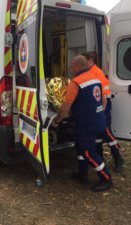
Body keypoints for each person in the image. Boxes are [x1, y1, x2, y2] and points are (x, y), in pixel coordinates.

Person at [51, 55, 112, 192]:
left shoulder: (76, 83)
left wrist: (56, 121)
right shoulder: (96, 78)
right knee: (80, 146)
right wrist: (97, 113)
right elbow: (104, 100)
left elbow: (66, 107)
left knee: (87, 151)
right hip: (98, 120)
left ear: (78, 67)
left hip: (87, 124)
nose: (70, 68)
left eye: (71, 66)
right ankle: (82, 174)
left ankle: (106, 178)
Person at [82, 52, 124, 173]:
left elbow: (101, 95)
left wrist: (101, 112)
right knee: (97, 133)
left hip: (103, 103)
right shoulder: (93, 71)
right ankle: (99, 157)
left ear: (90, 60)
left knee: (105, 131)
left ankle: (118, 157)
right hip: (99, 103)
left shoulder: (95, 72)